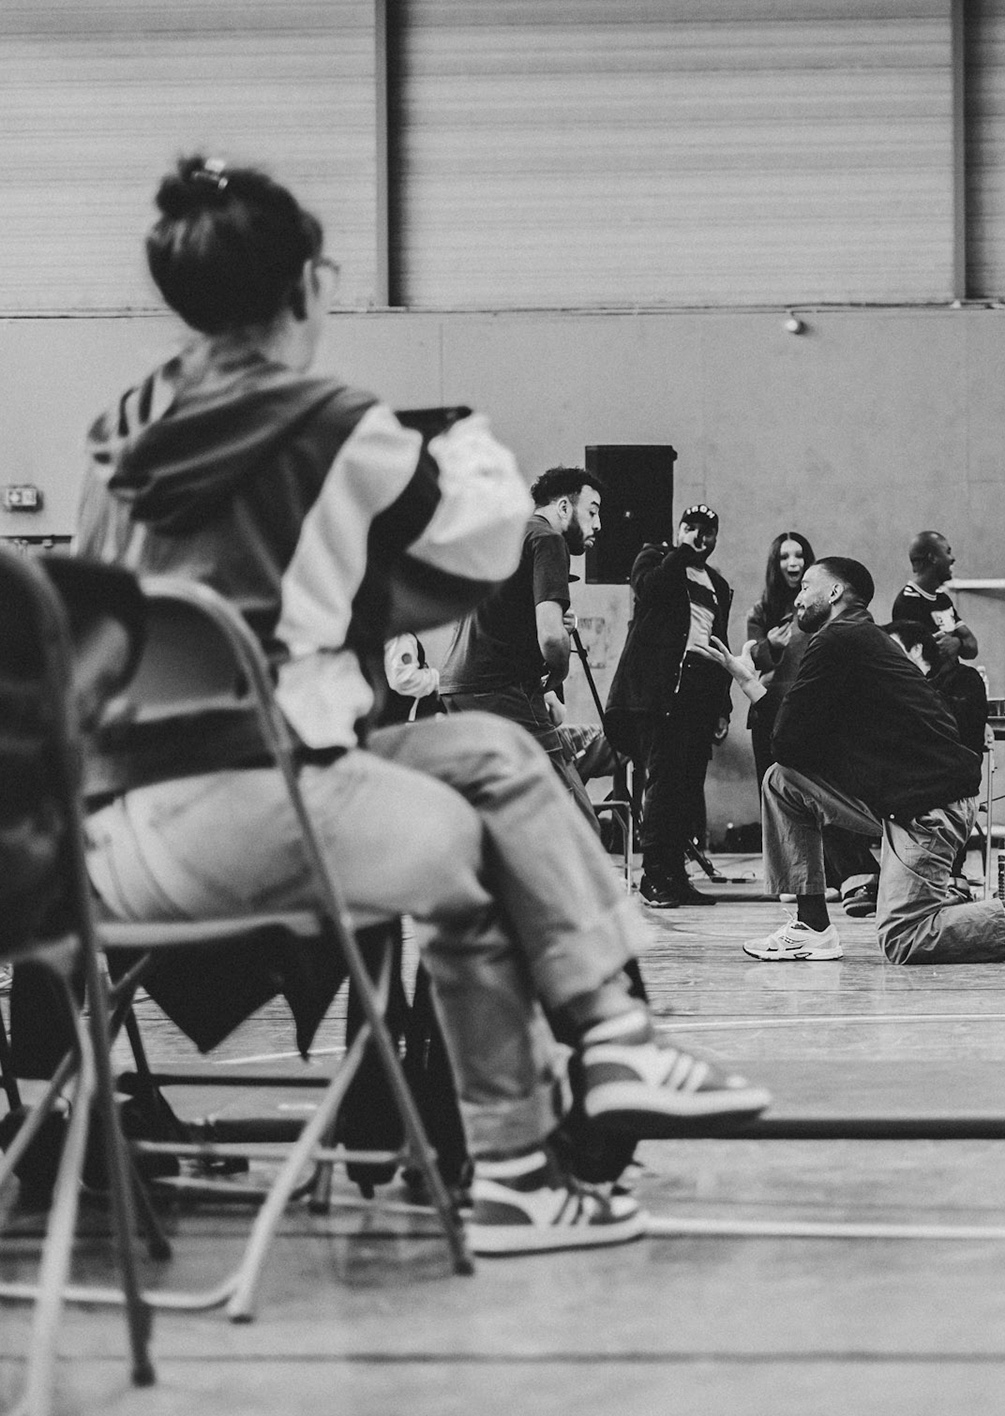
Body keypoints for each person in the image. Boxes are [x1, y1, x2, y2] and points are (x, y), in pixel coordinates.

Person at [73, 156, 767, 1256]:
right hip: (250, 814)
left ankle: (606, 1053)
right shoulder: (327, 424)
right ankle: (526, 1155)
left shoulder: (119, 433)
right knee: (475, 844)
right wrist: (476, 451)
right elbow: (482, 547)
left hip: (94, 842)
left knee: (489, 753)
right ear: (308, 285)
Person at [699, 557, 1005, 965]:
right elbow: (797, 745)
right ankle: (812, 928)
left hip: (930, 808)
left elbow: (788, 742)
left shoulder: (838, 640)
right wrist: (748, 681)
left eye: (806, 587)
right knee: (783, 781)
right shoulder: (861, 640)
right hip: (901, 798)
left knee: (906, 939)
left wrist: (754, 688)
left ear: (834, 592)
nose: (798, 598)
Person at [437, 465, 616, 823]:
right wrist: (557, 673)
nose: (598, 525)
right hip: (502, 688)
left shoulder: (507, 535)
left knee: (500, 811)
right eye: (592, 512)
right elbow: (550, 636)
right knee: (575, 819)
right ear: (563, 507)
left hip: (458, 688)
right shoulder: (549, 539)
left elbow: (496, 615)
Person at [605, 504, 734, 908]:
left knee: (687, 789)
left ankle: (676, 876)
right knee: (663, 784)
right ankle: (654, 876)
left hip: (699, 692)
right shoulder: (655, 558)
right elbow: (650, 591)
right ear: (678, 530)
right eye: (690, 527)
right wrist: (680, 553)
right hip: (660, 692)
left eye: (706, 531)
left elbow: (721, 643)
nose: (699, 536)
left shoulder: (718, 584)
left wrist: (723, 705)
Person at [744, 530, 815, 783]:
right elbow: (752, 657)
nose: (792, 563)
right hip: (770, 707)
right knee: (770, 783)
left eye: (799, 555)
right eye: (784, 557)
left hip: (810, 707)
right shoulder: (762, 610)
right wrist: (771, 646)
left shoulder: (819, 607)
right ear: (775, 564)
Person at [886, 619, 988, 755]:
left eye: (894, 648)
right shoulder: (897, 685)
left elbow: (963, 730)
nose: (888, 654)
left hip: (950, 762)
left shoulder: (965, 678)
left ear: (916, 649)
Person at [891, 530, 978, 662]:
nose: (952, 558)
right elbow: (924, 659)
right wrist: (954, 645)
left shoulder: (942, 599)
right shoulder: (907, 603)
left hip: (955, 675)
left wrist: (957, 643)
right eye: (947, 552)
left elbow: (972, 646)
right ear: (932, 558)